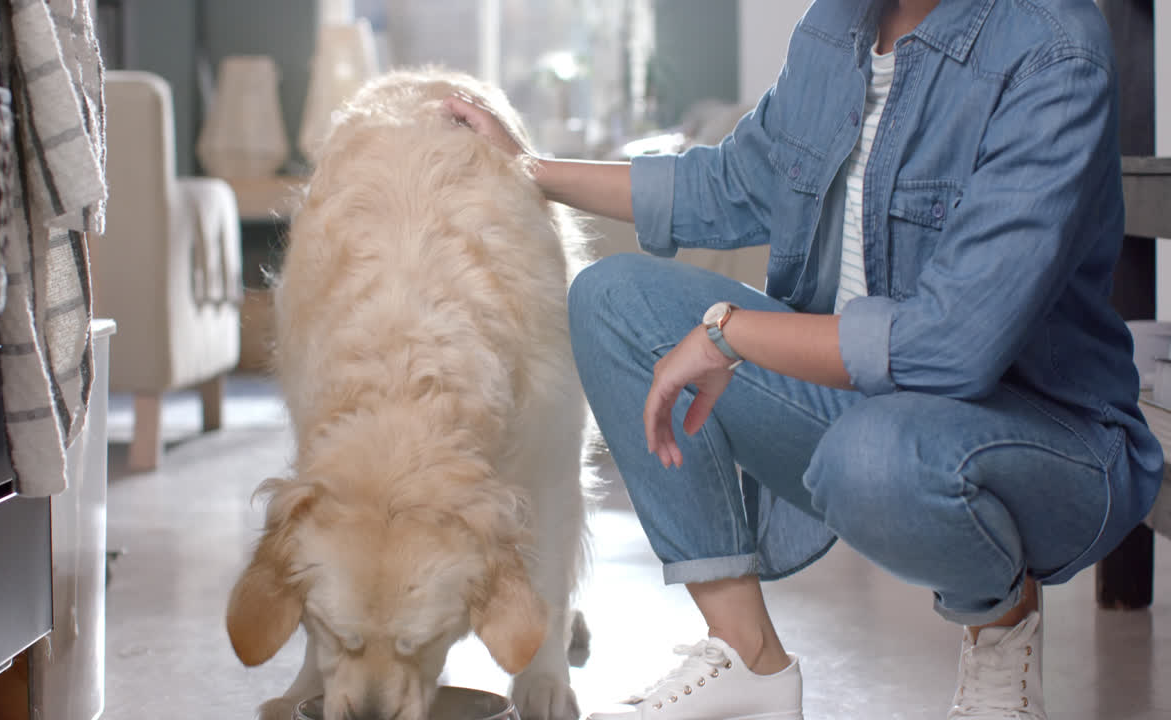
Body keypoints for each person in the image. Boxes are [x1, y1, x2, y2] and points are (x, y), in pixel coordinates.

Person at [446, 0, 1162, 718]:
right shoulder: (836, 26)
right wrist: (528, 169)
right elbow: (727, 185)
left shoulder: (1053, 49)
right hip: (861, 412)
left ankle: (1001, 642)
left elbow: (953, 348)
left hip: (1046, 441)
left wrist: (735, 333)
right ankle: (746, 657)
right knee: (611, 299)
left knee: (875, 451)